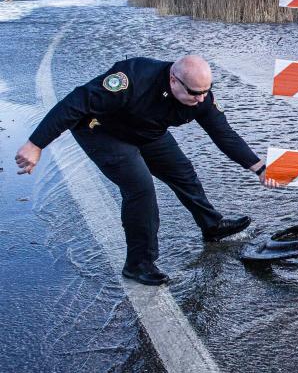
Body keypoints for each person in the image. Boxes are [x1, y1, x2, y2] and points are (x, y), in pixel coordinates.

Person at [15, 55, 278, 286]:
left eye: (205, 92)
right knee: (140, 188)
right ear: (174, 80)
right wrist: (35, 144)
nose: (200, 99)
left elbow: (223, 134)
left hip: (147, 130)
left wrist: (259, 168)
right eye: (194, 93)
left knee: (182, 171)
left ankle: (212, 225)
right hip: (103, 131)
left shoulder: (201, 96)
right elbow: (74, 104)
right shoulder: (131, 78)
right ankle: (138, 264)